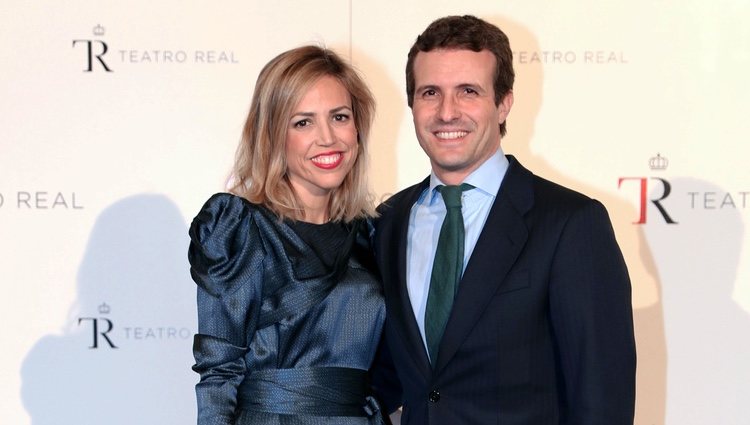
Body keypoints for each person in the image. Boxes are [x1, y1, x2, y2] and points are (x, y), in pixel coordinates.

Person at [373, 15, 636, 424]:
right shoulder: (388, 224)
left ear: (504, 102)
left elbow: (601, 401)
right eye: (430, 93)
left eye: (468, 91)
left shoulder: (570, 224)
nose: (447, 112)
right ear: (412, 104)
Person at [188, 45, 393, 424]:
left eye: (340, 117)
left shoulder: (373, 234)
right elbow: (219, 372)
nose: (327, 137)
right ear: (273, 134)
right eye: (303, 122)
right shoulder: (239, 229)